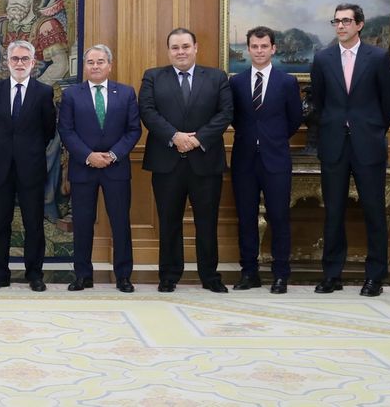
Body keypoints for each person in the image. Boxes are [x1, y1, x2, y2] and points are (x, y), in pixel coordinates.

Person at [310, 3, 390, 297]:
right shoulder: (322, 59)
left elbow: (389, 104)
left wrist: (372, 129)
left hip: (368, 145)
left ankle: (375, 276)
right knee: (333, 211)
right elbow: (319, 103)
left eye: (347, 21)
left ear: (360, 24)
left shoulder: (379, 57)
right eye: (336, 21)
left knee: (374, 211)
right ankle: (331, 275)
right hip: (334, 145)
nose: (341, 26)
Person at [139, 27, 233, 293]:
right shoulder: (153, 77)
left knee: (207, 222)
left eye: (185, 46)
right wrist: (175, 136)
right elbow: (147, 111)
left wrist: (197, 138)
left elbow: (226, 112)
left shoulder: (216, 77)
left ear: (195, 47)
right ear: (168, 50)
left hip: (205, 161)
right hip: (166, 162)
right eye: (175, 47)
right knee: (168, 222)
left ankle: (209, 276)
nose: (180, 52)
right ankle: (169, 276)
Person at [58, 44, 142, 293]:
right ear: (84, 66)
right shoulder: (72, 94)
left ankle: (123, 276)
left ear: (110, 65)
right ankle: (83, 275)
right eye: (91, 62)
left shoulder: (126, 93)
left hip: (116, 169)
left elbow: (133, 130)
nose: (95, 66)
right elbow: (66, 130)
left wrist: (113, 155)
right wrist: (88, 156)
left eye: (100, 61)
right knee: (82, 223)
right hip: (84, 168)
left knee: (120, 223)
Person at [229, 26, 303, 294]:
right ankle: (249, 273)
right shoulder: (235, 82)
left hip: (276, 160)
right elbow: (234, 118)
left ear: (273, 48)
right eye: (254, 47)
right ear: (248, 49)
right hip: (244, 160)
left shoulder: (287, 82)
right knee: (246, 218)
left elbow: (295, 120)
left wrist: (271, 139)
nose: (259, 51)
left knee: (279, 217)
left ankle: (281, 275)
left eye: (264, 46)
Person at [0, 40, 56, 292]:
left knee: (33, 224)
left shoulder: (44, 92)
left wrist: (27, 150)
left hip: (31, 168)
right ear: (8, 62)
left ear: (33, 63)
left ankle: (34, 274)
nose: (20, 63)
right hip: (1, 167)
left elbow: (48, 130)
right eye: (15, 59)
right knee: (0, 224)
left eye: (25, 59)